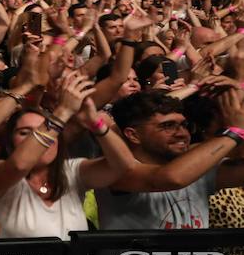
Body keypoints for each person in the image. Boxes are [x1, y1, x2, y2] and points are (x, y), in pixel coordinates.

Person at [97, 88, 244, 230]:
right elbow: (171, 178)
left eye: (184, 125)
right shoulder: (114, 168)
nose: (182, 134)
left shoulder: (197, 165)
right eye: (168, 126)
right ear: (133, 135)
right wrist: (235, 132)